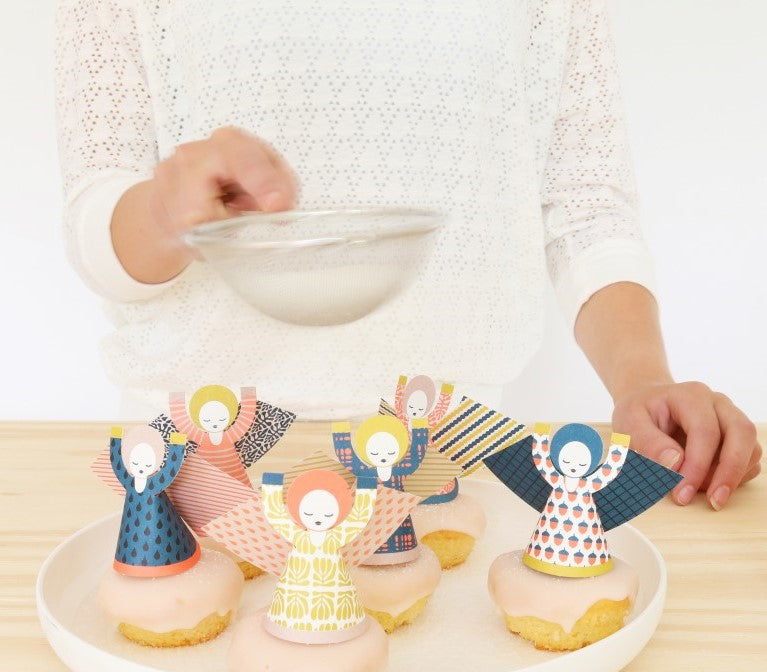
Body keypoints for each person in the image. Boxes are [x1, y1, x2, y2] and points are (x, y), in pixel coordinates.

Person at [54, 0, 760, 510]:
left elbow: (583, 202)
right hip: (190, 470)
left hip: (453, 458)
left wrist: (641, 381)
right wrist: (162, 212)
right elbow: (94, 219)